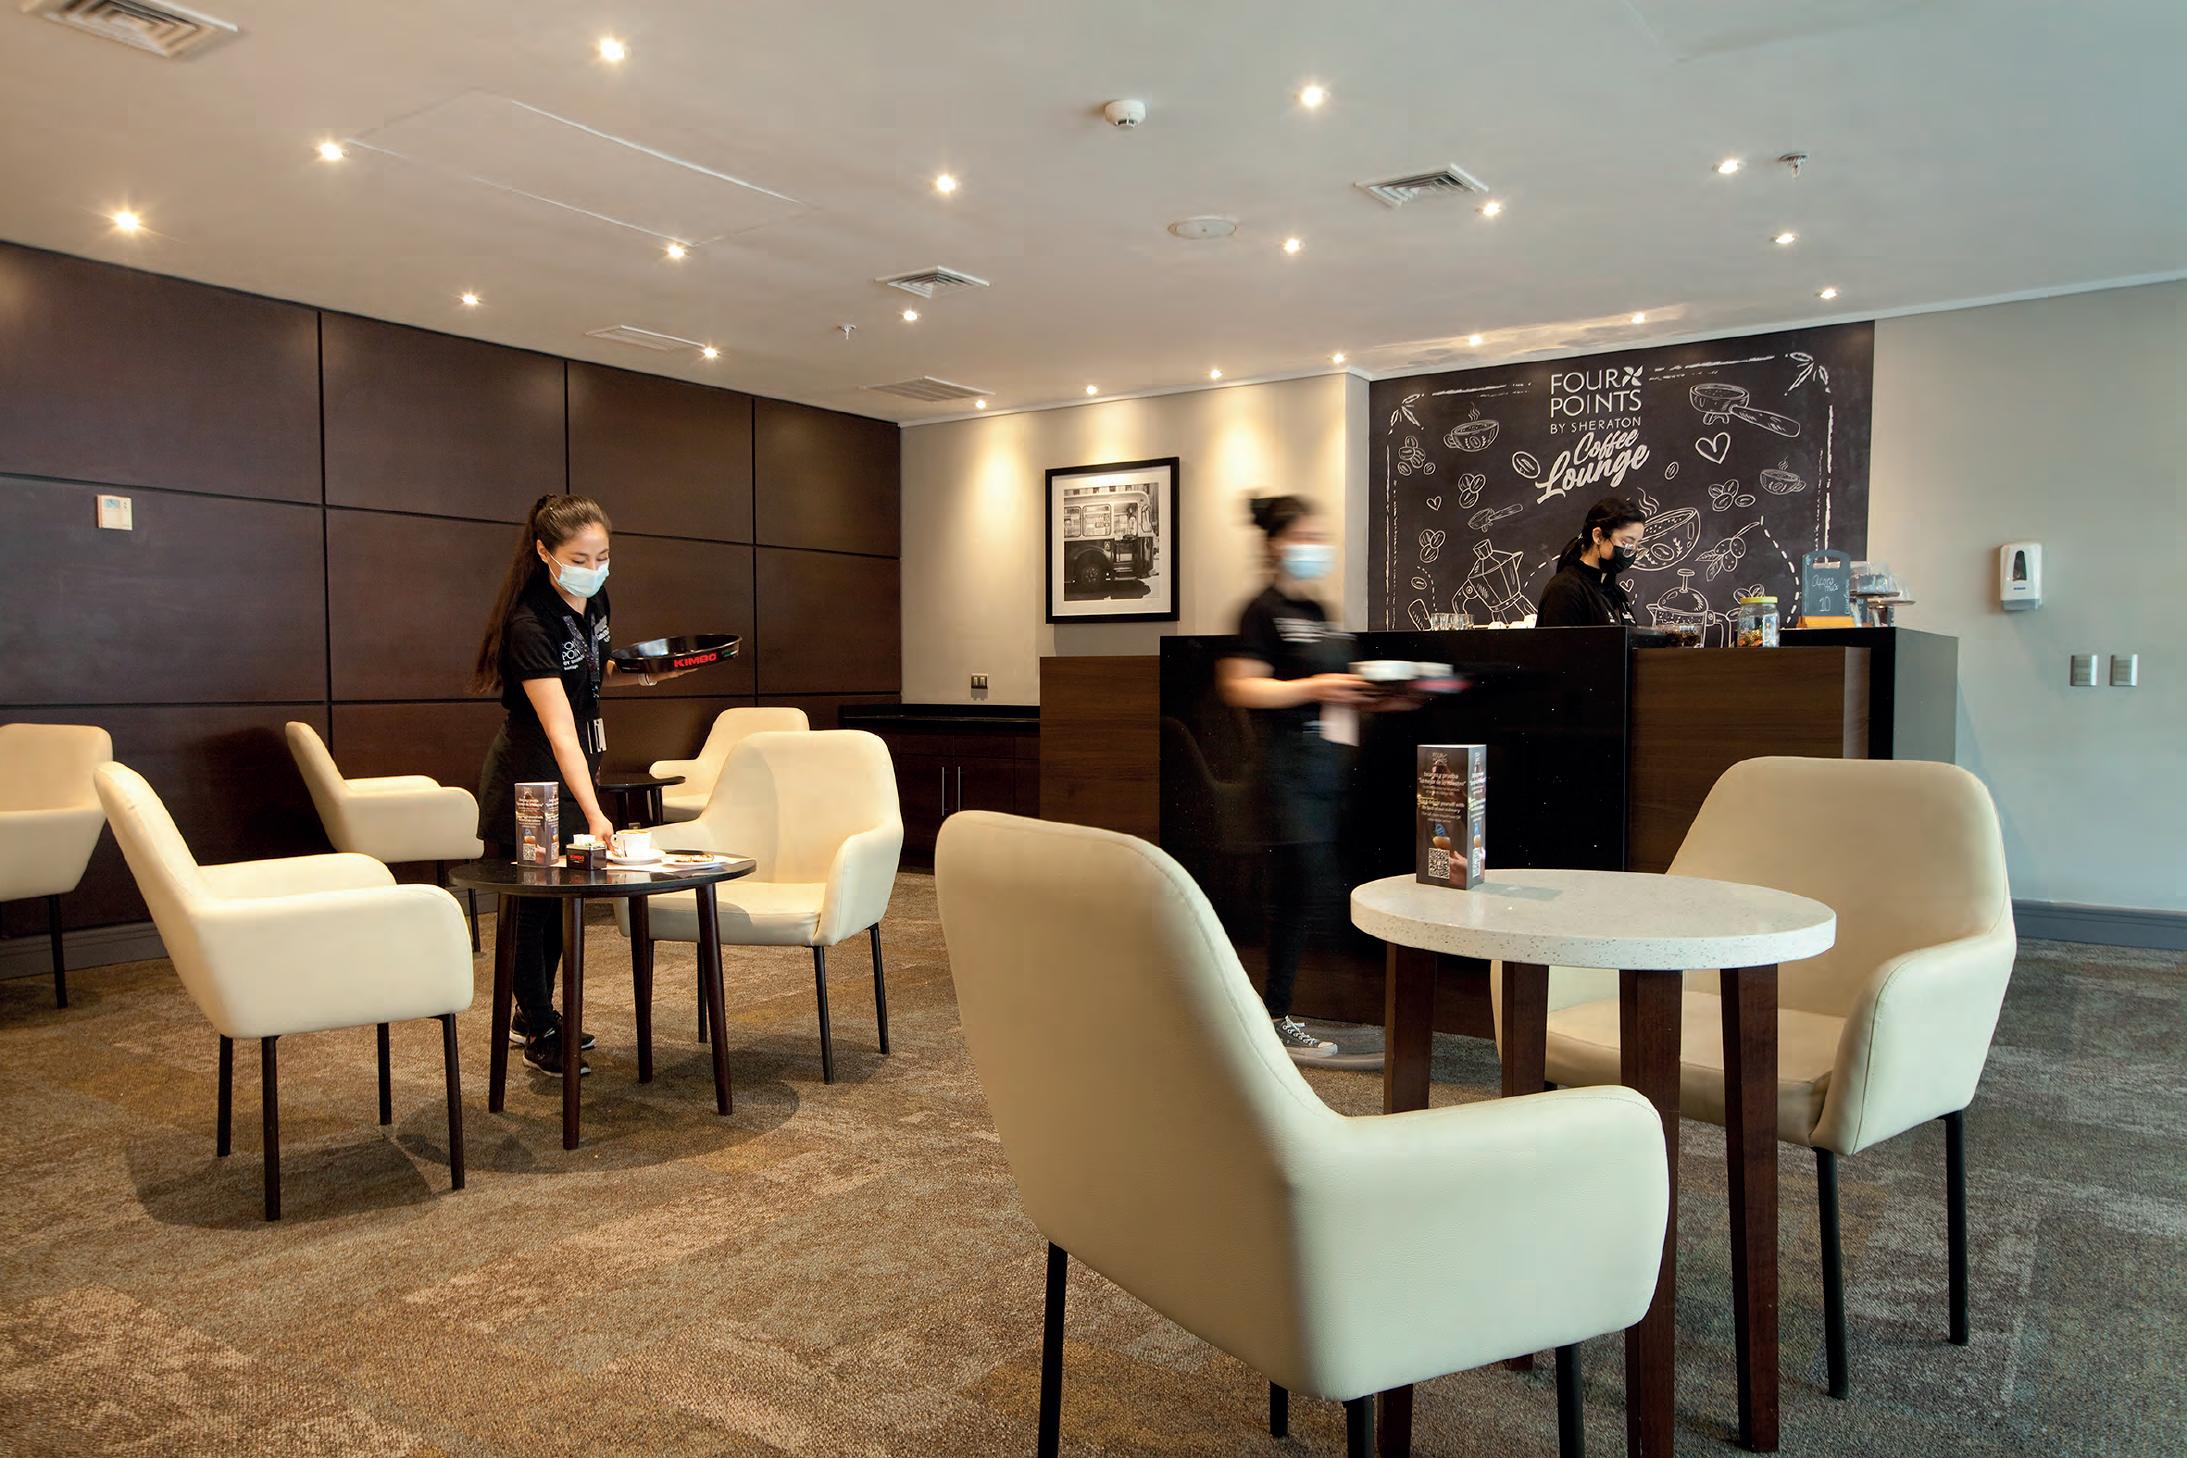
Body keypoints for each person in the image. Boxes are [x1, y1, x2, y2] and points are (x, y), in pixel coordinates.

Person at [468, 494, 686, 1077]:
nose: (594, 570)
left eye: (603, 557)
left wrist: (644, 671)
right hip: (531, 785)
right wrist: (595, 812)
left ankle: (533, 1014)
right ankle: (540, 1027)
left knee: (562, 900)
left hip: (574, 769)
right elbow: (559, 727)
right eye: (580, 559)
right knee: (532, 907)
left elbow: (593, 668)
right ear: (544, 553)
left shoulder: (595, 599)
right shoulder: (528, 623)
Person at [1217, 495, 1371, 1062]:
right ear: (1276, 544)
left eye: (1317, 536)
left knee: (1305, 892)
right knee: (1300, 889)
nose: (1314, 546)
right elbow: (1240, 686)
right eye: (1303, 536)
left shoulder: (1317, 610)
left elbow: (1337, 684)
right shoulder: (1261, 610)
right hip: (1283, 771)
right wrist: (1315, 688)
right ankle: (1276, 1016)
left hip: (1324, 769)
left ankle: (1282, 1013)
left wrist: (1377, 694)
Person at [1534, 494, 1646, 627]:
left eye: (1637, 545)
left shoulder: (1616, 593)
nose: (1632, 551)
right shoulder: (1565, 590)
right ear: (1598, 536)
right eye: (1627, 542)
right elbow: (1559, 641)